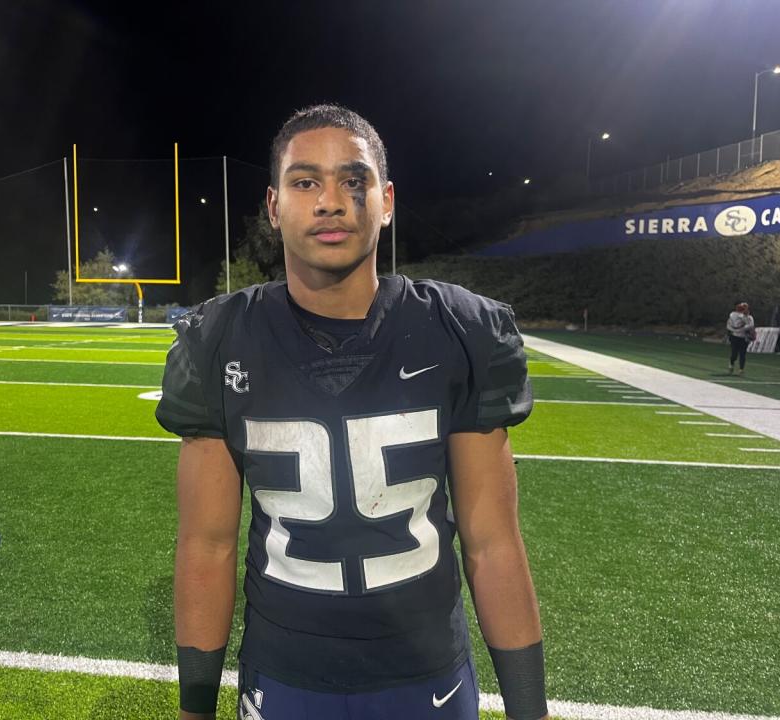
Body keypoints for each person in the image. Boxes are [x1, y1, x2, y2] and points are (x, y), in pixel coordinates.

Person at [157, 104, 548, 720]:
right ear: (273, 205)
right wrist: (194, 707)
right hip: (285, 675)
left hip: (428, 678)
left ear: (386, 201)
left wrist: (530, 709)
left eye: (354, 180)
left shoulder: (460, 329)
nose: (331, 201)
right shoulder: (219, 340)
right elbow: (206, 546)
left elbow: (493, 543)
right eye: (305, 181)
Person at [726, 302, 755, 375]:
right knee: (734, 353)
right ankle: (731, 364)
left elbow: (751, 326)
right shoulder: (734, 315)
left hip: (744, 338)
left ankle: (741, 369)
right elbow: (730, 325)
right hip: (735, 337)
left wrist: (751, 333)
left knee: (742, 354)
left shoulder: (749, 317)